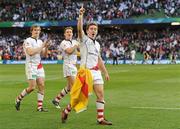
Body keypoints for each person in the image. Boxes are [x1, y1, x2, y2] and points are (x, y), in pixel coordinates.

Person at [61, 5, 112, 125]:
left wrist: (105, 72)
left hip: (96, 72)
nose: (93, 30)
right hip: (86, 73)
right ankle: (66, 110)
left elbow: (99, 60)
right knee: (79, 97)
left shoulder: (98, 44)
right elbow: (79, 28)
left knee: (100, 94)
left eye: (95, 29)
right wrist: (80, 15)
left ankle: (100, 119)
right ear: (88, 30)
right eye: (91, 29)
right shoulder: (83, 39)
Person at [15, 25, 50, 112]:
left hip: (39, 65)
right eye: (35, 30)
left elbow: (44, 55)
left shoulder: (40, 41)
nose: (37, 31)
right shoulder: (28, 41)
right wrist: (42, 46)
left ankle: (39, 107)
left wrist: (47, 47)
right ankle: (18, 99)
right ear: (31, 31)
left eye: (38, 30)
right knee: (32, 87)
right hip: (31, 65)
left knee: (41, 85)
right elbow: (30, 52)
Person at [52, 27, 79, 108]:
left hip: (74, 65)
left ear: (72, 33)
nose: (69, 33)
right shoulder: (63, 43)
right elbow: (69, 51)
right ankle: (74, 104)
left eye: (70, 32)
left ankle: (56, 100)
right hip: (68, 65)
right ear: (64, 34)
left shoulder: (74, 42)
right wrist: (76, 45)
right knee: (75, 86)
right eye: (67, 32)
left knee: (69, 87)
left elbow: (75, 52)